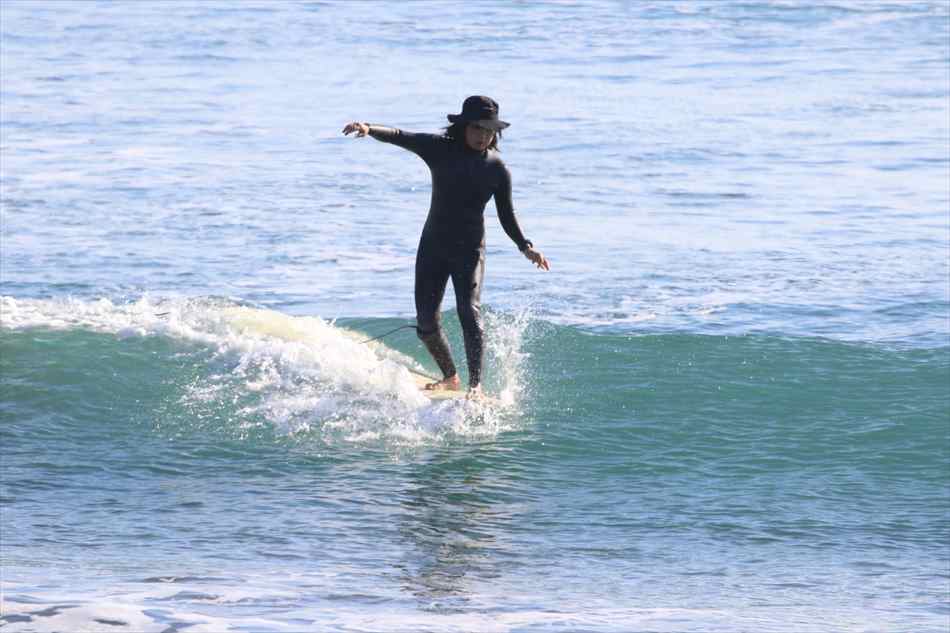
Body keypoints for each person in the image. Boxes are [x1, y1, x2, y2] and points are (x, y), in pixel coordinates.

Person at [343, 96, 549, 396]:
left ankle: (476, 386)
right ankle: (450, 377)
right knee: (426, 323)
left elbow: (507, 215)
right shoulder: (439, 149)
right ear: (463, 126)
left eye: (489, 130)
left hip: (470, 250)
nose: (483, 136)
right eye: (477, 128)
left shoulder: (496, 169)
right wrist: (368, 128)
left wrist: (525, 246)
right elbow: (401, 136)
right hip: (433, 247)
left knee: (469, 312)